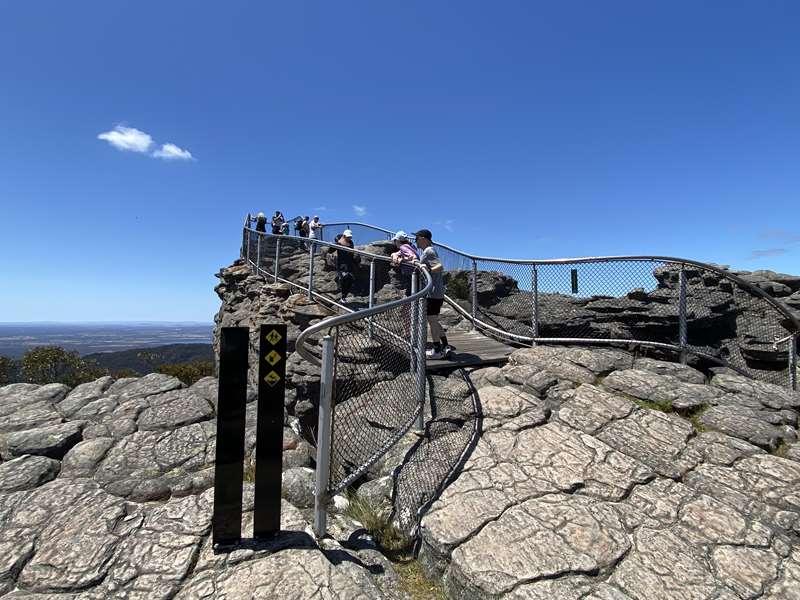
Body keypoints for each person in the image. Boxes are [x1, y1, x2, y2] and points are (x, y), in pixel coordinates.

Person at [413, 229, 451, 359]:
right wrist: (418, 263)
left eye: (416, 238)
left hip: (433, 292)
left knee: (432, 320)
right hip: (436, 291)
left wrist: (427, 269)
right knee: (434, 319)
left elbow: (439, 266)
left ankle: (437, 350)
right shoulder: (427, 252)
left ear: (423, 238)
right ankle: (445, 346)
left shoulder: (429, 251)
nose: (415, 241)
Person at [330, 229, 359, 303]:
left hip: (349, 264)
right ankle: (342, 295)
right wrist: (336, 244)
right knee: (345, 278)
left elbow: (351, 254)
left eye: (350, 237)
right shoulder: (338, 243)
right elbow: (330, 251)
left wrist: (355, 263)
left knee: (351, 280)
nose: (350, 238)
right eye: (348, 237)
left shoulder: (351, 243)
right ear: (344, 236)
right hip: (341, 265)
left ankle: (344, 297)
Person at [390, 231, 418, 296]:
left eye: (395, 240)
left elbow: (413, 256)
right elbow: (396, 254)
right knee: (411, 292)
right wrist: (394, 255)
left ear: (398, 241)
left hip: (411, 273)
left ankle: (410, 305)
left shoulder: (403, 247)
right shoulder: (410, 246)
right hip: (412, 273)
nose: (394, 242)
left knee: (410, 293)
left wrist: (402, 260)